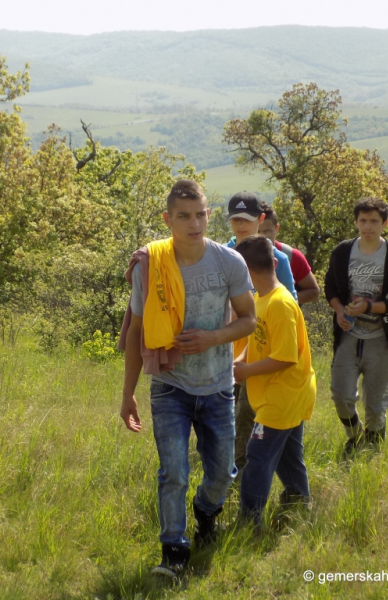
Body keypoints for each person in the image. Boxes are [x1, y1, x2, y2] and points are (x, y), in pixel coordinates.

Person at [118, 179, 256, 579]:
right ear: (168, 219)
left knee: (221, 473)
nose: (194, 224)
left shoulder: (230, 263)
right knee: (173, 471)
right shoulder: (153, 264)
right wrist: (127, 393)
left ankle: (206, 511)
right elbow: (136, 334)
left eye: (200, 214)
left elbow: (249, 319)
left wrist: (214, 337)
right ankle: (174, 550)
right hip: (170, 384)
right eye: (183, 216)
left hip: (217, 385)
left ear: (208, 215)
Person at [232, 236, 316, 527]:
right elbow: (258, 341)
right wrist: (241, 359)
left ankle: (247, 521)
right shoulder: (260, 298)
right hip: (276, 394)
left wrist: (245, 372)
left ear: (245, 268)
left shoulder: (280, 303)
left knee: (257, 456)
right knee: (288, 457)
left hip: (284, 394)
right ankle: (299, 503)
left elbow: (285, 357)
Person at [324, 197, 388, 455]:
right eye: (363, 220)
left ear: (384, 223)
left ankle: (372, 452)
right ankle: (354, 435)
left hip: (381, 337)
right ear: (356, 222)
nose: (368, 226)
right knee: (340, 394)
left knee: (376, 405)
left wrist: (369, 307)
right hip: (348, 334)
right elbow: (329, 287)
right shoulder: (342, 251)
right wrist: (340, 311)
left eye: (374, 221)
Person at [224, 191, 297, 475]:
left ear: (261, 220)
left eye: (247, 219)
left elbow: (288, 302)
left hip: (261, 354)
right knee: (224, 415)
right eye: (235, 220)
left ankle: (240, 472)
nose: (241, 226)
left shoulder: (276, 258)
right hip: (227, 349)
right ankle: (226, 465)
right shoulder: (221, 253)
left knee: (246, 415)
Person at [258, 202, 320, 305]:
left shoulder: (291, 256)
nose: (262, 237)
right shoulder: (241, 255)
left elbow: (313, 291)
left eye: (267, 231)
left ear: (277, 229)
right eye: (258, 232)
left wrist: (283, 300)